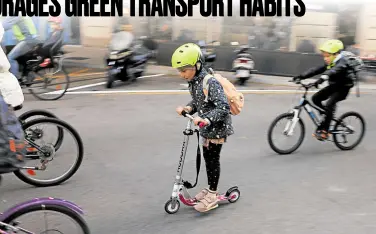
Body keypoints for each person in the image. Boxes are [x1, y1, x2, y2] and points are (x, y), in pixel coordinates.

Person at [172, 43, 234, 213]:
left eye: (184, 70)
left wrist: (206, 119)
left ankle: (213, 194)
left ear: (197, 65)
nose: (182, 74)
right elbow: (200, 101)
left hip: (218, 127)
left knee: (213, 159)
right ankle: (210, 187)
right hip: (205, 126)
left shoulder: (210, 82)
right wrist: (188, 109)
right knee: (208, 158)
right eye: (180, 71)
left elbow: (223, 107)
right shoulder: (194, 82)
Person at [293, 39, 357, 140]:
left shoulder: (342, 62)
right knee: (315, 99)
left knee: (329, 104)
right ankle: (327, 116)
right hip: (334, 86)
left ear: (336, 54)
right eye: (324, 56)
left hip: (343, 88)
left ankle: (325, 131)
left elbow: (333, 71)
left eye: (328, 56)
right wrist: (301, 76)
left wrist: (322, 79)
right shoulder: (330, 62)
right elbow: (317, 70)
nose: (325, 58)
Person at [1, 16, 40, 81]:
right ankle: (27, 74)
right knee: (16, 55)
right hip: (30, 39)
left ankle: (15, 80)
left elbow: (4, 26)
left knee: (10, 57)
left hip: (28, 40)